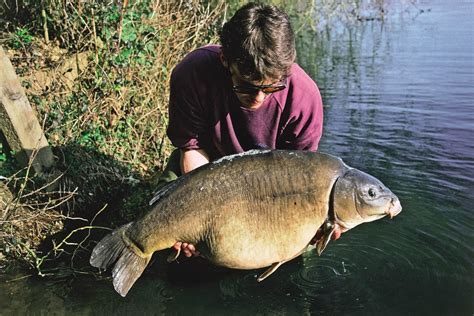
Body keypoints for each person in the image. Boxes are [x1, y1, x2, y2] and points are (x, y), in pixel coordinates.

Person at [156, 3, 333, 258]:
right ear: (225, 60)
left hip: (274, 187)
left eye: (271, 88)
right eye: (246, 87)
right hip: (206, 164)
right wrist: (201, 219)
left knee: (296, 253)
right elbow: (192, 148)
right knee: (169, 232)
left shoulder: (304, 98)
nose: (259, 98)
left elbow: (299, 181)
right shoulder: (192, 73)